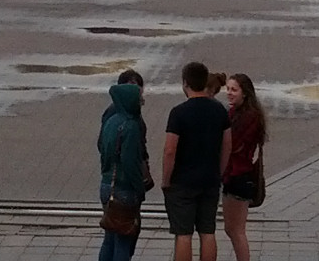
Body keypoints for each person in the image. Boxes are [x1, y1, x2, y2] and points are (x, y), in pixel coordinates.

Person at [162, 62, 232, 261]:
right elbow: (227, 145)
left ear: (186, 83)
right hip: (210, 180)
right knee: (207, 231)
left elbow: (170, 150)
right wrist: (219, 172)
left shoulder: (178, 113)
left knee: (183, 234)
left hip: (182, 181)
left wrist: (166, 180)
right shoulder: (219, 110)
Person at [97, 81, 147, 261]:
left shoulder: (111, 121)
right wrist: (140, 189)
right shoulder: (131, 126)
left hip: (106, 185)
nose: (141, 102)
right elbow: (130, 162)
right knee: (124, 241)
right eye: (138, 99)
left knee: (109, 238)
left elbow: (102, 149)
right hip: (124, 189)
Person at [222, 74, 267, 261]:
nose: (229, 93)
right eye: (228, 89)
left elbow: (232, 144)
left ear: (245, 93)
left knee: (236, 230)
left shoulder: (249, 117)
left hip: (239, 175)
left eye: (234, 90)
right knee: (231, 228)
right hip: (233, 174)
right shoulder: (235, 112)